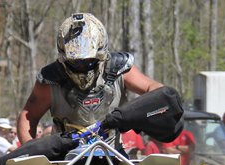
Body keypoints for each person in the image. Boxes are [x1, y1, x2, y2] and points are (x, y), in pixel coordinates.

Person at [17, 13, 163, 144]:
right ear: (63, 57)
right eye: (76, 62)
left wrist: (138, 113)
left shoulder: (118, 68)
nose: (82, 66)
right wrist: (30, 149)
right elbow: (28, 117)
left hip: (113, 153)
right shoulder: (51, 79)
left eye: (88, 61)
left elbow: (155, 90)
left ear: (101, 54)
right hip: (64, 157)